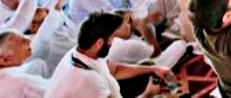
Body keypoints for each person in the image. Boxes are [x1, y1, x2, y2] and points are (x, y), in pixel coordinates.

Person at [44, 11, 174, 98]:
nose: (114, 41)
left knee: (149, 66)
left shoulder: (82, 52)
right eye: (112, 38)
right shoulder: (88, 80)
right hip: (103, 89)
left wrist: (154, 69)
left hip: (111, 89)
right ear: (99, 43)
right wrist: (148, 93)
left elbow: (115, 69)